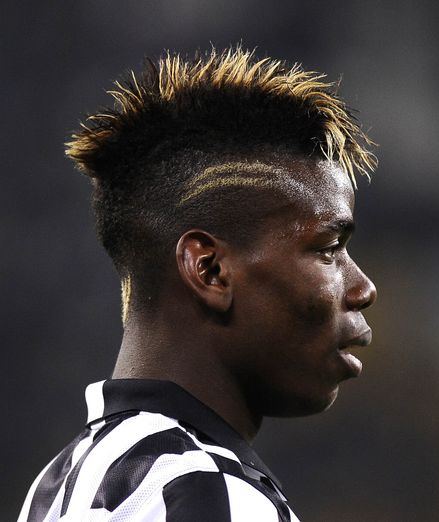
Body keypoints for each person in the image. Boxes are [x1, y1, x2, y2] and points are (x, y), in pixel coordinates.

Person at [17, 46, 378, 521]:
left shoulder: (54, 489)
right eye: (328, 248)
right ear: (209, 269)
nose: (363, 288)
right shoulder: (209, 492)